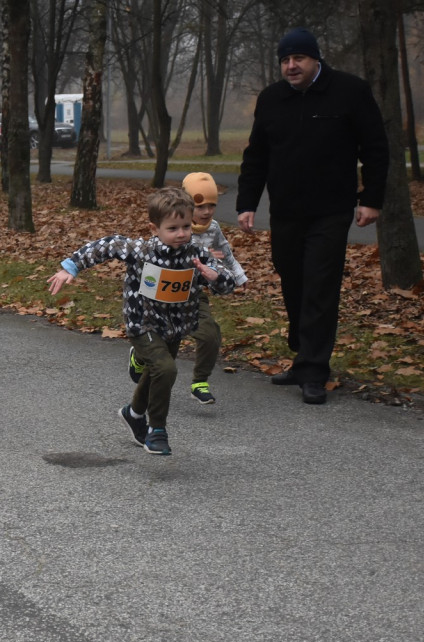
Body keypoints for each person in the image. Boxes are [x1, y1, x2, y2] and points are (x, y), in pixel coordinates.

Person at [236, 27, 389, 405]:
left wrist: (371, 199)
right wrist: (246, 203)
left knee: (320, 284)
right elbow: (256, 155)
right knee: (292, 280)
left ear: (315, 59)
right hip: (286, 211)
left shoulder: (349, 91)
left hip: (331, 211)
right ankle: (303, 354)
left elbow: (375, 147)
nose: (291, 66)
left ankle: (315, 370)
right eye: (285, 60)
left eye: (298, 59)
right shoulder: (272, 99)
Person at [47, 187, 236, 456]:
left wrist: (215, 277)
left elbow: (226, 284)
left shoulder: (197, 255)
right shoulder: (141, 250)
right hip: (143, 323)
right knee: (166, 370)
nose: (181, 233)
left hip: (175, 326)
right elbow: (106, 246)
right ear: (154, 228)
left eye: (186, 226)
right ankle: (157, 429)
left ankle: (134, 413)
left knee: (156, 372)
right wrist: (72, 267)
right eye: (173, 228)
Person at [128, 173, 249, 405]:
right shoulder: (168, 224)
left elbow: (228, 255)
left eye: (212, 205)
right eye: (200, 205)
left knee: (210, 334)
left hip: (193, 294)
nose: (206, 211)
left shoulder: (213, 229)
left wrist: (238, 276)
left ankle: (199, 382)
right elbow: (153, 251)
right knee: (159, 345)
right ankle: (140, 358)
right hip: (161, 295)